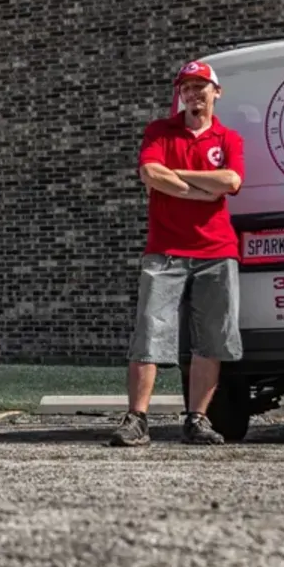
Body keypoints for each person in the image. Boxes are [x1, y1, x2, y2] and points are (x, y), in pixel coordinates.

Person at [110, 60, 245, 447]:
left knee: (211, 339)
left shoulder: (228, 139)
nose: (193, 93)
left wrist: (178, 177)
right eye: (186, 88)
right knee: (149, 333)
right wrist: (201, 192)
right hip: (165, 251)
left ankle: (197, 419)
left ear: (215, 92)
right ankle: (137, 419)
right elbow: (150, 173)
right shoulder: (160, 131)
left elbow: (231, 180)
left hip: (217, 251)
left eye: (200, 87)